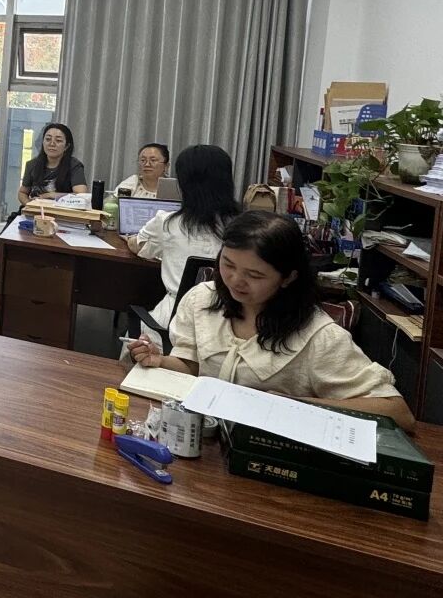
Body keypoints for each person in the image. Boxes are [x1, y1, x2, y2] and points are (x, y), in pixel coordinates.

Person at [128, 210, 414, 432]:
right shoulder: (202, 299)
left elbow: (398, 412)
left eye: (254, 275)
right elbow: (193, 367)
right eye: (228, 264)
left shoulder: (318, 335)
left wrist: (294, 405)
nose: (235, 281)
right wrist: (160, 361)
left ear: (288, 278)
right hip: (203, 440)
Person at [127, 144, 239, 327]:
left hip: (175, 321)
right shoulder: (244, 227)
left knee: (136, 340)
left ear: (184, 184)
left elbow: (139, 245)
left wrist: (130, 239)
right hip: (228, 322)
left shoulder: (167, 223)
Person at [16, 122, 88, 206]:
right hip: (35, 211)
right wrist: (30, 205)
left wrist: (51, 195)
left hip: (61, 212)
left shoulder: (74, 166)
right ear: (43, 142)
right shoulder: (32, 164)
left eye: (58, 140)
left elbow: (81, 195)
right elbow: (22, 192)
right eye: (48, 139)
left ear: (67, 146)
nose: (52, 144)